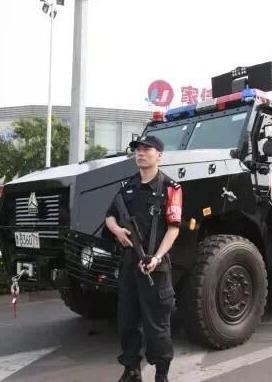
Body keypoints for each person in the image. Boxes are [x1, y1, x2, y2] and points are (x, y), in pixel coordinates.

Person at [105, 135, 182, 382]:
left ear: (159, 155)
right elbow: (109, 216)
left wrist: (157, 257)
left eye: (146, 149)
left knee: (156, 324)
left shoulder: (171, 188)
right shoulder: (127, 187)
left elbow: (174, 228)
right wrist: (116, 230)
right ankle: (131, 370)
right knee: (127, 321)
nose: (140, 153)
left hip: (155, 267)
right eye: (137, 149)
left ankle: (161, 374)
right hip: (128, 265)